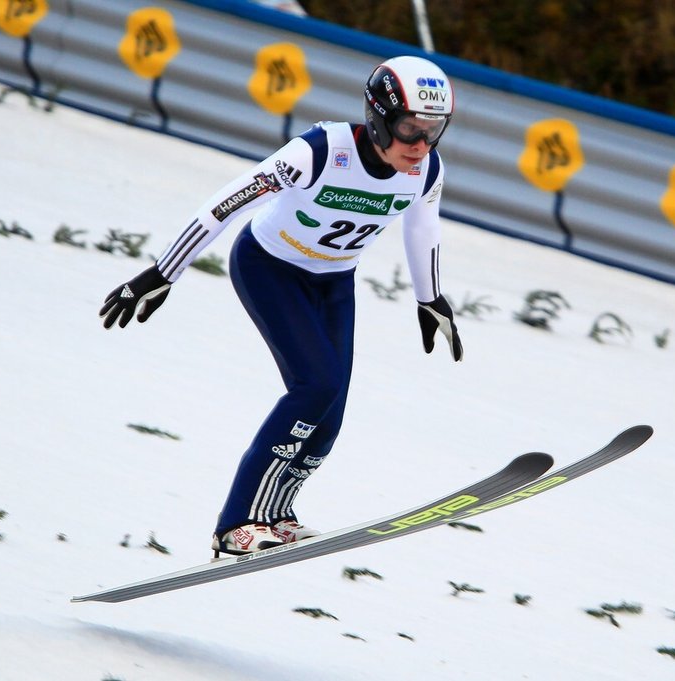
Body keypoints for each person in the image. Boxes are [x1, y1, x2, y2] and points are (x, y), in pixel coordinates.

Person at [100, 55, 464, 556]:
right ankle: (235, 525)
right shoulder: (320, 151)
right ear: (379, 116)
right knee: (316, 385)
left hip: (334, 281)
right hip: (268, 269)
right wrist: (163, 272)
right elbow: (227, 203)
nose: (420, 146)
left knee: (330, 410)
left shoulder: (426, 169)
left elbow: (423, 227)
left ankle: (276, 513)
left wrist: (430, 298)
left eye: (434, 131)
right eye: (409, 129)